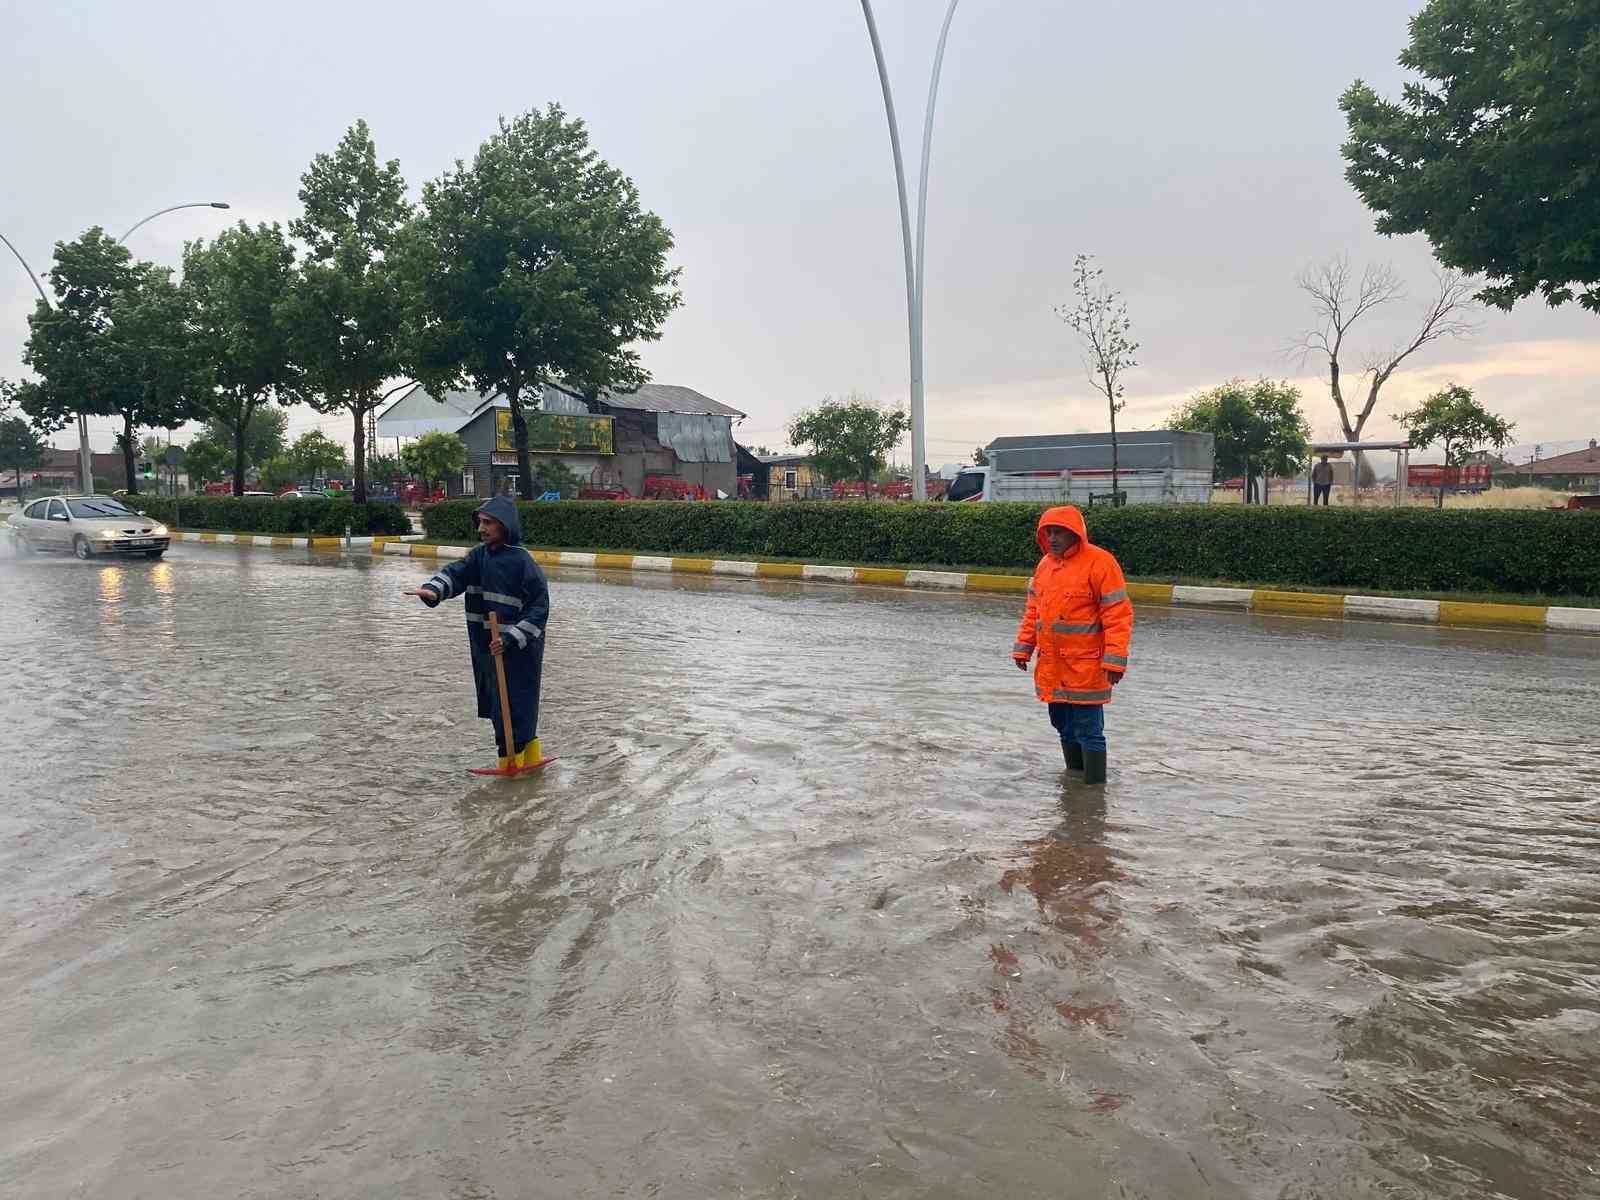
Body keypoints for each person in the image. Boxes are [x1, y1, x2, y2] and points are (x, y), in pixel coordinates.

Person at [405, 496, 550, 771]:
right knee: (499, 702)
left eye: (488, 523)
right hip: (487, 646)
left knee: (516, 703)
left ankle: (512, 764)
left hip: (518, 650)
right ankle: (529, 758)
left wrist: (510, 638)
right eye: (480, 522)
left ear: (504, 526)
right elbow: (456, 573)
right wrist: (433, 590)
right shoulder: (478, 556)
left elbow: (539, 609)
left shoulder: (522, 562)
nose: (481, 529)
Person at [1012, 506, 1133, 784]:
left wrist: (1115, 660)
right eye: (1048, 533)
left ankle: (1094, 792)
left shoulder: (1101, 563)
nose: (1053, 538)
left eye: (1059, 532)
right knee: (1064, 727)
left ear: (1075, 534)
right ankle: (1075, 787)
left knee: (1089, 730)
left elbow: (1118, 615)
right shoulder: (1045, 566)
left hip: (1087, 666)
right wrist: (1023, 647)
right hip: (1052, 667)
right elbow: (1034, 611)